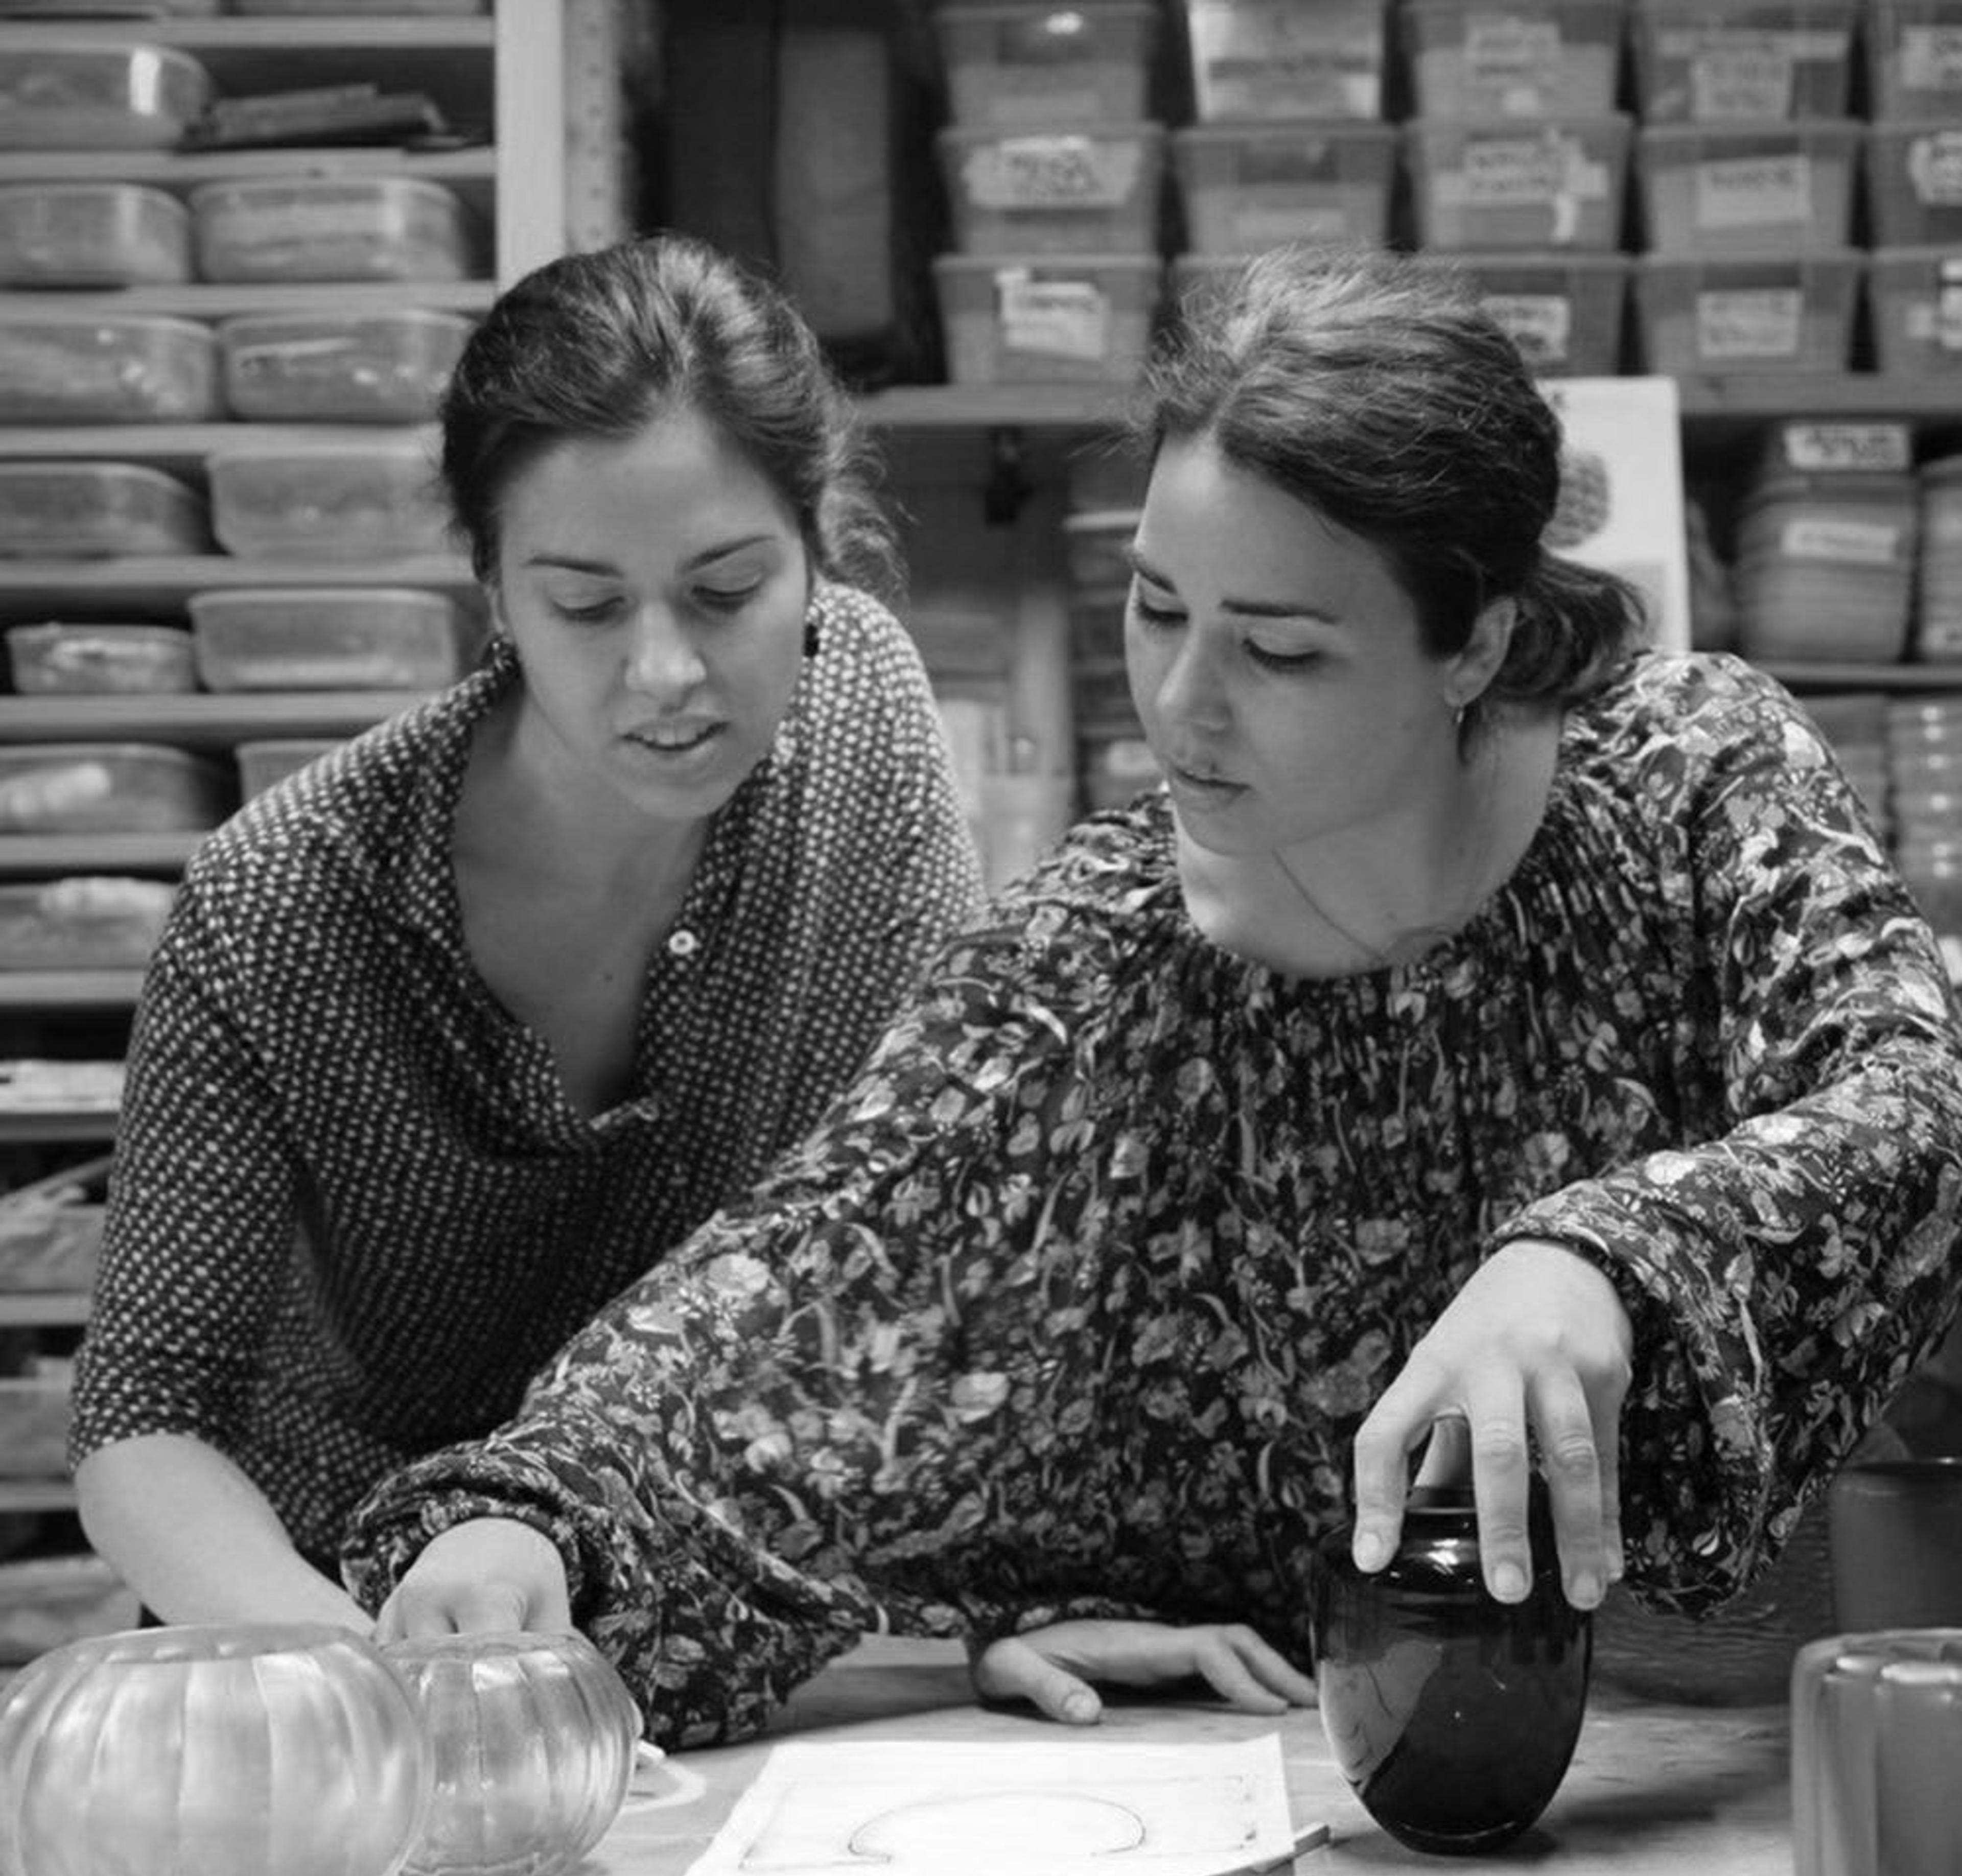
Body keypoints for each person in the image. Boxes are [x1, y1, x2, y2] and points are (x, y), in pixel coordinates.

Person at [342, 244, 1962, 1743]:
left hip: (1809, 1730)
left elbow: (1912, 1100)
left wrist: (1605, 1256)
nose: (1182, 707)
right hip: (1346, 1789)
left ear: (1471, 643)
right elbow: (792, 1288)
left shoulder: (1689, 778)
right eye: (1158, 608)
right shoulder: (1091, 964)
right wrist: (529, 1520)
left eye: (1280, 651)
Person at [67, 232, 985, 1628]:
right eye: (587, 605)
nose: (666, 670)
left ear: (816, 551)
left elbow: (932, 1214)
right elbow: (144, 1418)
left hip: (687, 1608)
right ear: (493, 591)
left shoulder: (863, 722)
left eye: (727, 591)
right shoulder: (283, 901)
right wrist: (371, 1685)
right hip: (322, 1608)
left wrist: (1010, 1593)